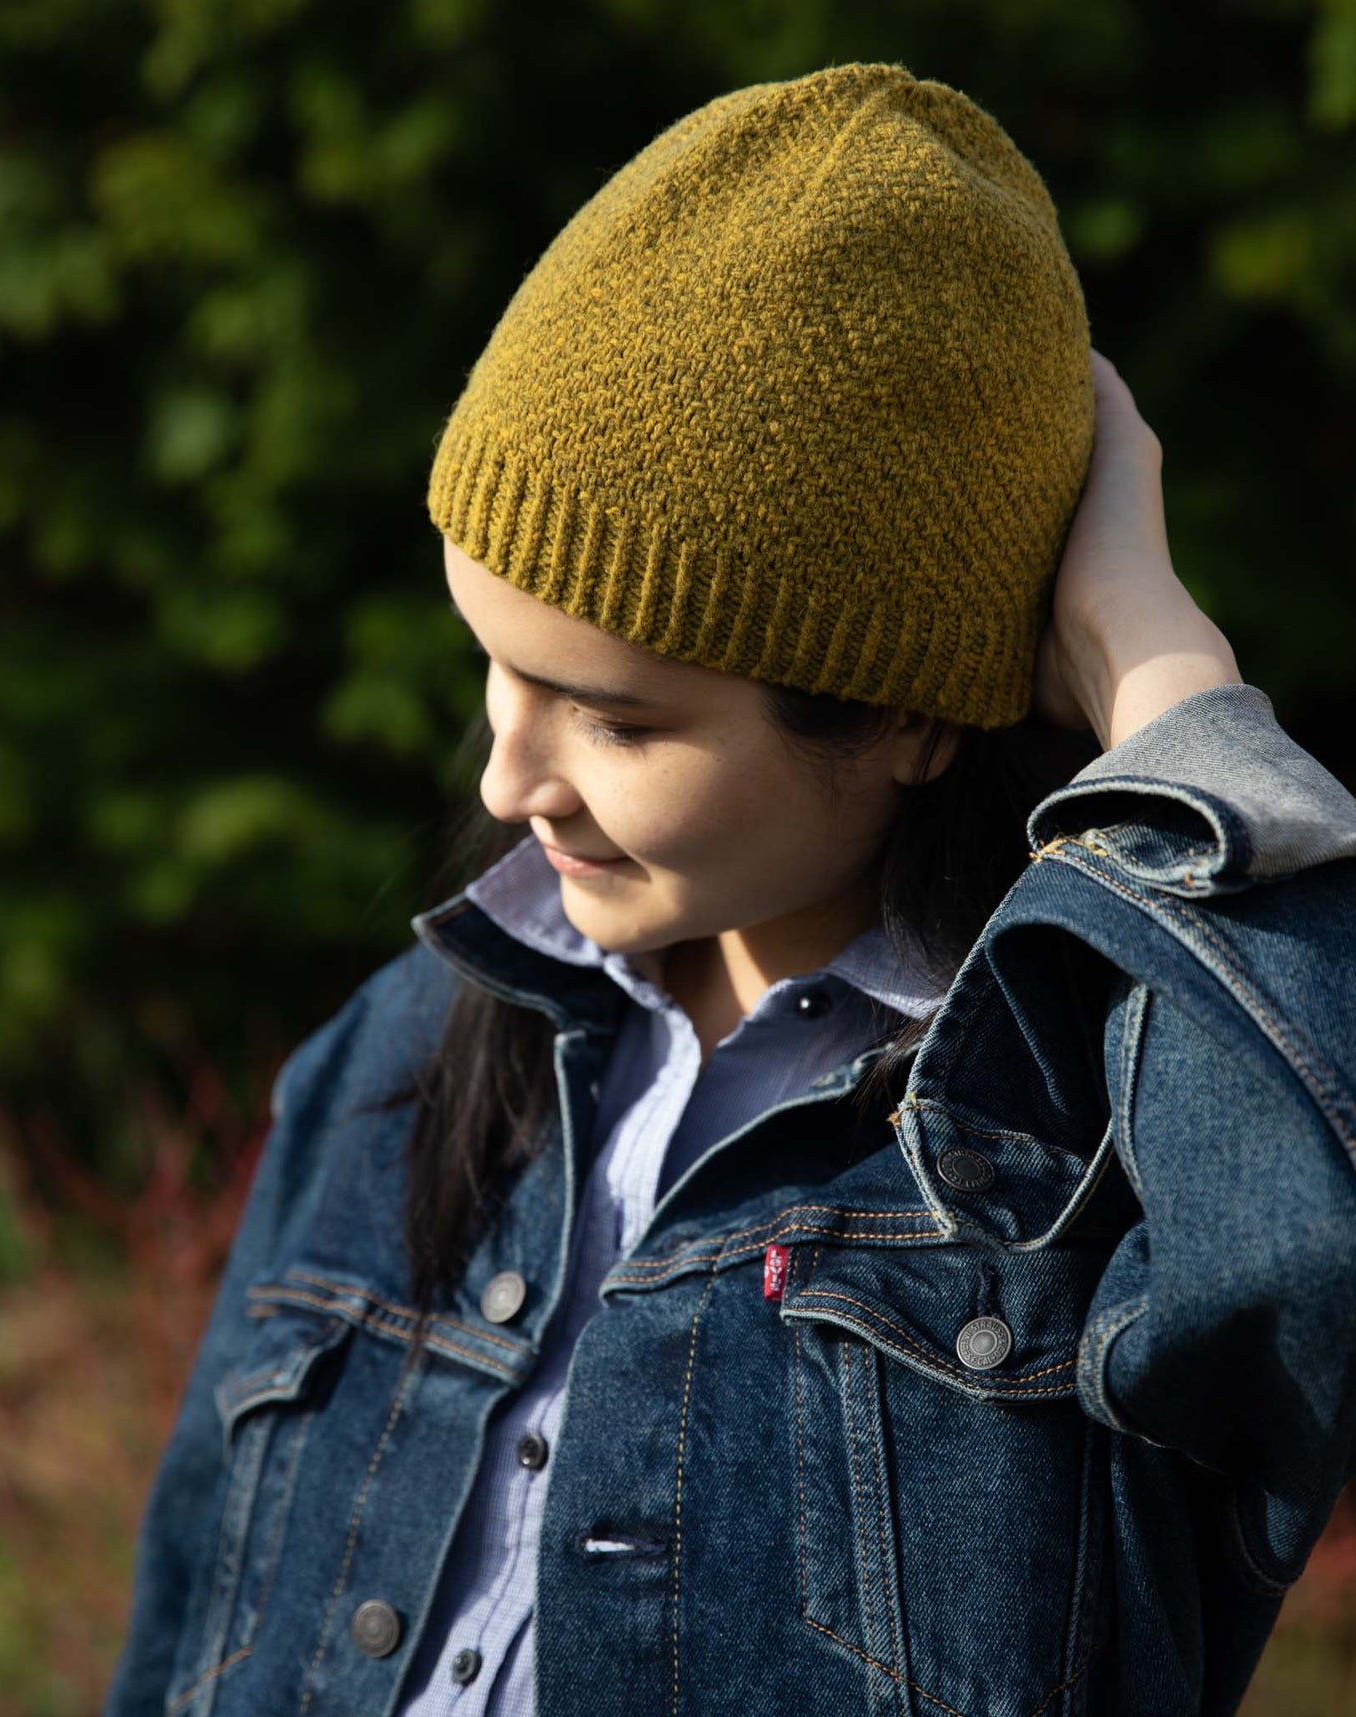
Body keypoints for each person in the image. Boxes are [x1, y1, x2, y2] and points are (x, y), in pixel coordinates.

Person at [105, 62, 1356, 1717]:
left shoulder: (1072, 1157)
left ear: (909, 714)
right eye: (495, 667)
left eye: (616, 720)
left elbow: (1311, 1217)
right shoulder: (394, 1061)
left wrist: (1161, 676)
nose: (504, 780)